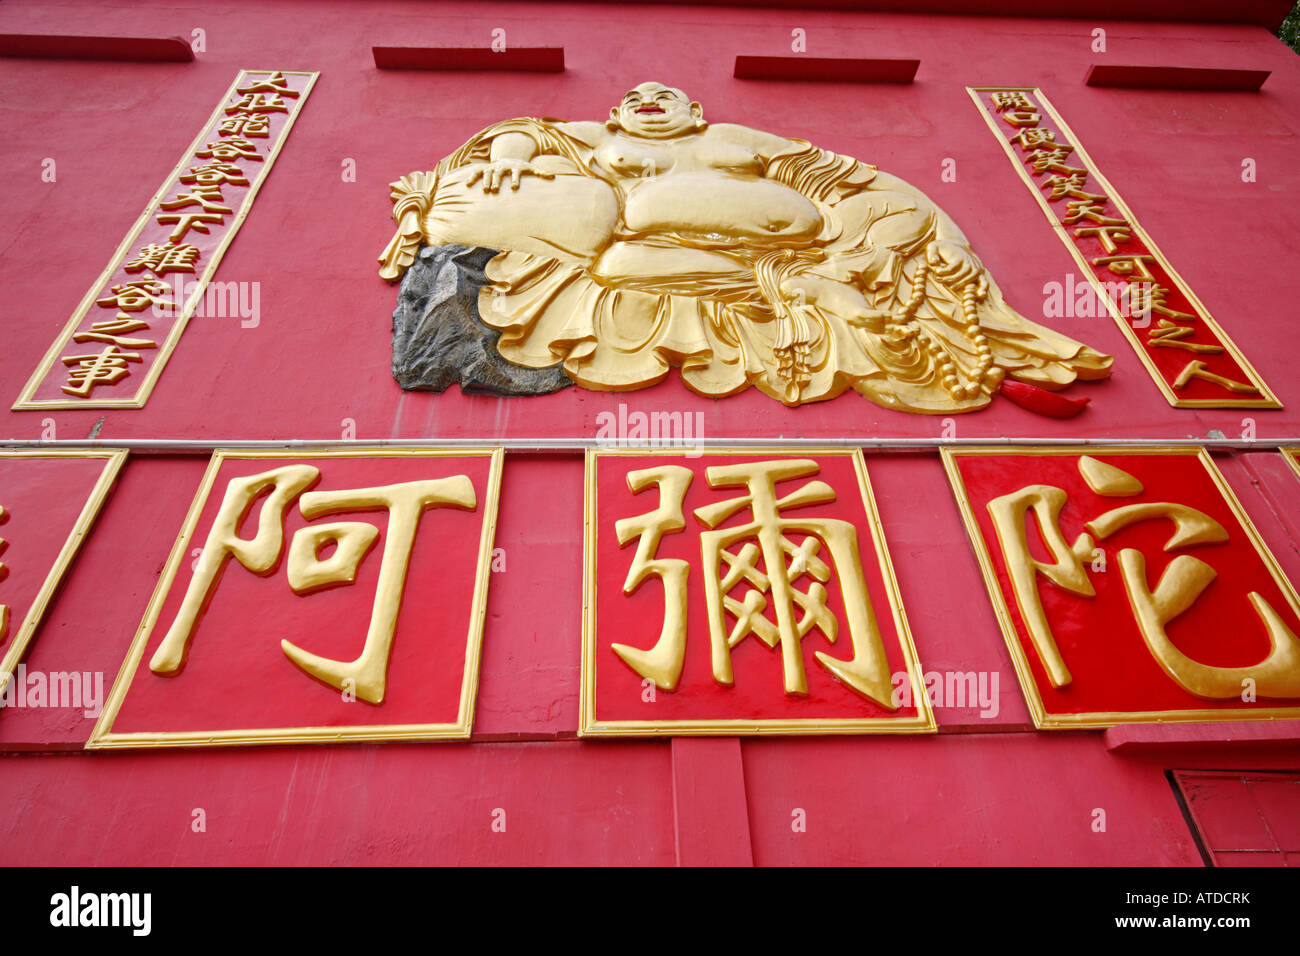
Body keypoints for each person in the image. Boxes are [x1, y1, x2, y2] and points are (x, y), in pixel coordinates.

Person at [379, 82, 1111, 412]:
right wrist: (507, 145)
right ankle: (803, 296)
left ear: (695, 110)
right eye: (636, 100)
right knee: (620, 264)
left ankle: (975, 354)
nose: (650, 104)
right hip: (657, 260)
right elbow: (531, 132)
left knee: (912, 295)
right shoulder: (599, 144)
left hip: (796, 248)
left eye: (666, 98)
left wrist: (884, 234)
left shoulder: (736, 140)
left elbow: (841, 177)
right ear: (615, 114)